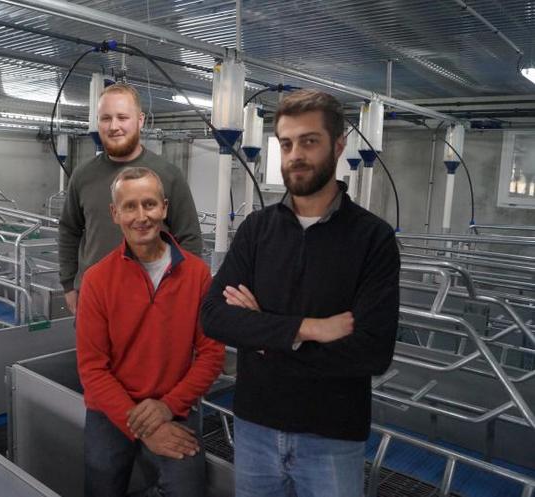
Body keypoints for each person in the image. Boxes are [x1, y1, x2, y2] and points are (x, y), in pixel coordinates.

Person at [201, 89, 400, 497]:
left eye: (309, 141)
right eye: (286, 144)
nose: (295, 155)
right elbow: (213, 316)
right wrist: (309, 329)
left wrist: (266, 337)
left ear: (339, 145)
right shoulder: (257, 230)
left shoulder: (372, 238)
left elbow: (372, 351)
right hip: (256, 425)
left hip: (331, 435)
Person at [76, 167, 224, 497]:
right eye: (130, 206)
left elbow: (212, 354)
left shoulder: (197, 275)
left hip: (175, 404)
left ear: (165, 208)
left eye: (149, 204)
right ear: (115, 213)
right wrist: (144, 428)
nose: (141, 216)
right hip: (111, 407)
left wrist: (167, 407)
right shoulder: (97, 280)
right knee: (102, 481)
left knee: (188, 489)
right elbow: (92, 369)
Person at [59, 83, 202, 314]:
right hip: (95, 298)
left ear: (140, 120)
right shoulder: (83, 176)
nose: (114, 126)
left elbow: (190, 239)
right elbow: (69, 230)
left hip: (153, 299)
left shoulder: (168, 175)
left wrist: (182, 291)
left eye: (122, 117)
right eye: (105, 118)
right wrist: (68, 285)